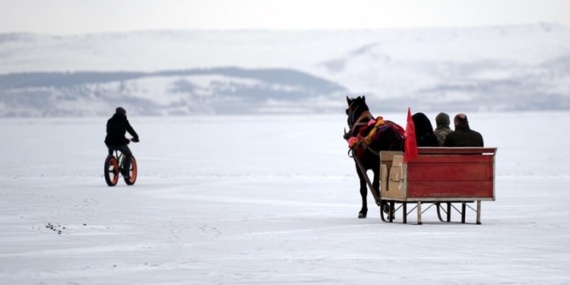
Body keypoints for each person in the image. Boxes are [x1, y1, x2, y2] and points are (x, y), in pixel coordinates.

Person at [104, 107, 139, 178]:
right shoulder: (124, 121)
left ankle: (111, 162)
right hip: (120, 143)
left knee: (111, 152)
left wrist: (123, 138)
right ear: (123, 113)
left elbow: (109, 132)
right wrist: (136, 137)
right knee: (128, 154)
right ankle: (126, 173)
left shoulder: (110, 121)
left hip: (109, 142)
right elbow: (130, 129)